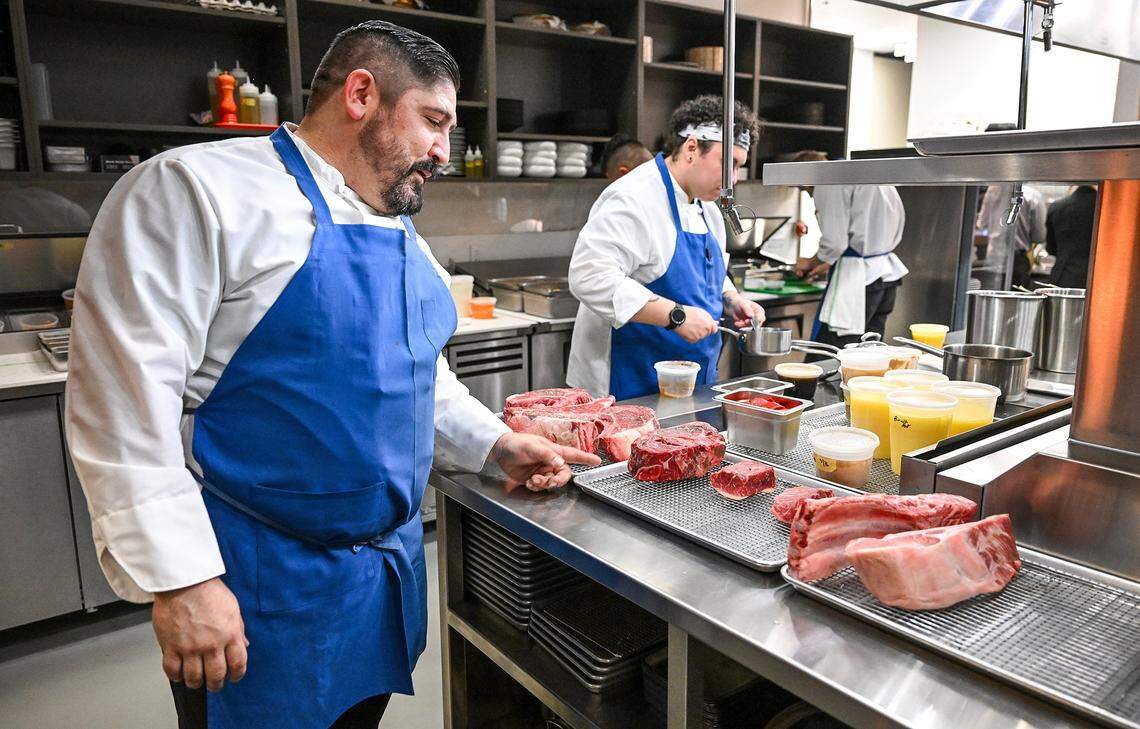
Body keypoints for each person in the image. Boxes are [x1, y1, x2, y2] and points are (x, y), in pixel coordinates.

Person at [64, 21, 597, 729]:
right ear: (361, 94)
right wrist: (182, 579)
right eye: (434, 121)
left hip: (380, 579)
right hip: (262, 583)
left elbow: (416, 373)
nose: (445, 149)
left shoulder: (394, 218)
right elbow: (123, 402)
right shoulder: (196, 190)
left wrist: (496, 442)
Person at [567, 95, 765, 399]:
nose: (734, 179)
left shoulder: (708, 208)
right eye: (730, 164)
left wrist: (731, 299)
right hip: (627, 381)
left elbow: (709, 273)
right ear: (691, 148)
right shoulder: (634, 197)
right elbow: (589, 276)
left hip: (691, 381)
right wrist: (676, 316)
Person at [793, 154, 907, 347]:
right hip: (885, 278)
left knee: (828, 355)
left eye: (805, 189)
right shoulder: (866, 173)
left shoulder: (829, 180)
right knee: (869, 354)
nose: (810, 194)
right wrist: (828, 263)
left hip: (857, 284)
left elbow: (834, 243)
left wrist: (810, 261)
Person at [976, 182, 1047, 290]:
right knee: (1016, 298)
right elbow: (1040, 236)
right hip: (1018, 261)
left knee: (991, 297)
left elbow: (982, 223)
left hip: (993, 257)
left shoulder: (992, 190)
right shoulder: (1032, 195)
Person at [1046, 184, 1097, 289]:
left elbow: (1051, 249)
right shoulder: (1106, 207)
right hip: (1097, 276)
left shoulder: (1057, 207)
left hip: (1063, 276)